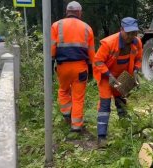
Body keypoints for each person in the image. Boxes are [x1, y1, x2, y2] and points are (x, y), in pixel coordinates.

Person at [93, 17, 142, 147]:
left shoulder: (137, 42)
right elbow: (98, 61)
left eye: (134, 33)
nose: (131, 36)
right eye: (128, 33)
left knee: (121, 103)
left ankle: (127, 131)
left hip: (122, 77)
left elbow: (138, 58)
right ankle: (101, 137)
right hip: (106, 76)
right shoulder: (109, 43)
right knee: (105, 105)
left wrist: (136, 71)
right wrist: (108, 75)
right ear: (121, 30)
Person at [51, 1, 95, 133]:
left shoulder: (56, 26)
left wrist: (50, 65)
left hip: (62, 67)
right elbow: (91, 53)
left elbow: (52, 49)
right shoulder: (87, 28)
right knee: (78, 97)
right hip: (80, 68)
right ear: (79, 13)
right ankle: (76, 126)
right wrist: (92, 70)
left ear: (67, 12)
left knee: (63, 91)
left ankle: (66, 113)